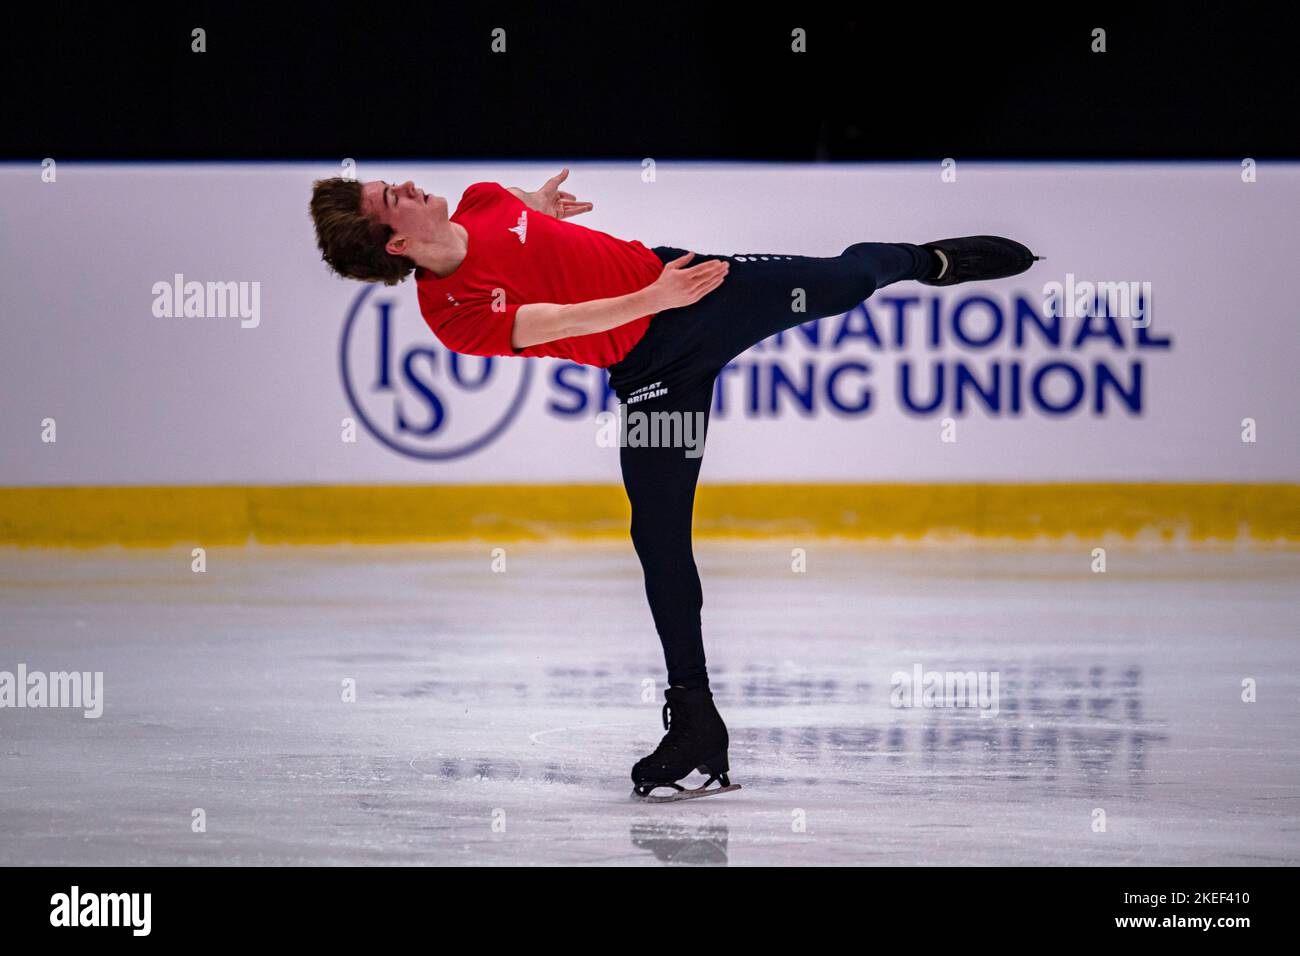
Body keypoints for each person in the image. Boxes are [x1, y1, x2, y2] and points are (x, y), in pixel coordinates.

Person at [309, 169, 1039, 800]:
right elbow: (561, 320)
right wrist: (656, 297)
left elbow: (521, 210)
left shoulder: (483, 198)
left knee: (847, 280)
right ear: (396, 245)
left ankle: (926, 261)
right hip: (657, 373)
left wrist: (544, 208)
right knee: (657, 537)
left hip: (707, 290)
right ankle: (695, 719)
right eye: (389, 200)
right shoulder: (452, 313)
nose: (404, 185)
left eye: (390, 181)